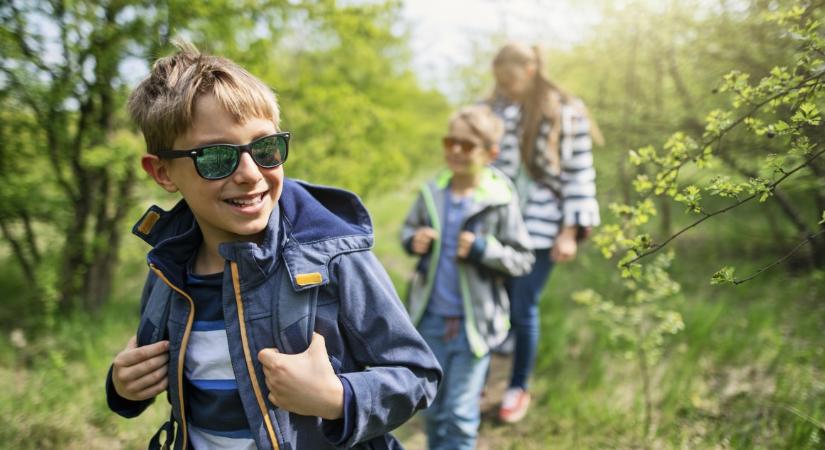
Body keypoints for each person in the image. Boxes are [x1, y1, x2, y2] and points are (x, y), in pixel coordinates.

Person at [104, 42, 442, 450]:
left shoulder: (333, 255)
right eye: (215, 157)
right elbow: (154, 378)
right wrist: (123, 387)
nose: (250, 173)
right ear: (162, 172)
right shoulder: (167, 270)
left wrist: (338, 398)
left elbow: (418, 374)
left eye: (265, 149)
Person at [401, 104, 534, 450]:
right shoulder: (432, 193)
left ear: (491, 153)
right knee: (431, 409)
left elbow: (522, 259)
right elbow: (408, 230)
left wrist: (482, 249)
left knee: (459, 415)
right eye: (451, 142)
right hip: (428, 321)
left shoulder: (500, 200)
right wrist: (413, 241)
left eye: (467, 145)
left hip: (474, 327)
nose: (456, 151)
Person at [487, 43, 603, 423]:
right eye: (500, 74)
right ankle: (481, 378)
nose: (506, 81)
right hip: (497, 225)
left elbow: (579, 173)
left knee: (523, 306)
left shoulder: (566, 110)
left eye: (514, 73)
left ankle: (517, 387)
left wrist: (570, 231)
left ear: (533, 68)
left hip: (540, 227)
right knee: (493, 303)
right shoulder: (492, 109)